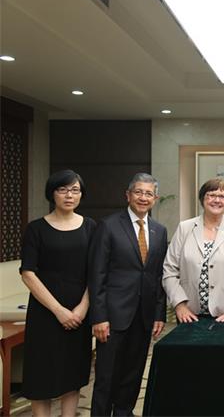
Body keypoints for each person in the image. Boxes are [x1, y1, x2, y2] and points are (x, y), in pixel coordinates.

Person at [88, 173, 168, 416]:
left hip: (144, 316)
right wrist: (99, 317)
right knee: (106, 376)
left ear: (155, 198)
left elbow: (158, 275)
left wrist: (159, 313)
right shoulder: (108, 225)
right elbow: (97, 274)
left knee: (133, 373)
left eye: (149, 194)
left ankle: (124, 412)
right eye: (138, 192)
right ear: (128, 195)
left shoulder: (159, 230)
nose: (143, 197)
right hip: (113, 316)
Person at [19, 170, 96, 417]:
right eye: (62, 190)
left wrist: (82, 308)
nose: (69, 195)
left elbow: (96, 272)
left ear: (81, 194)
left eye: (75, 190)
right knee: (40, 375)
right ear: (52, 194)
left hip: (79, 313)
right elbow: (28, 273)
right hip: (45, 312)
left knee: (72, 374)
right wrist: (59, 310)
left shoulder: (91, 227)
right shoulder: (36, 229)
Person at [163, 178, 224, 322]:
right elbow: (170, 270)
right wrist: (180, 305)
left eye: (222, 196)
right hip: (189, 315)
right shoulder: (184, 228)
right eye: (211, 195)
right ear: (202, 199)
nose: (216, 200)